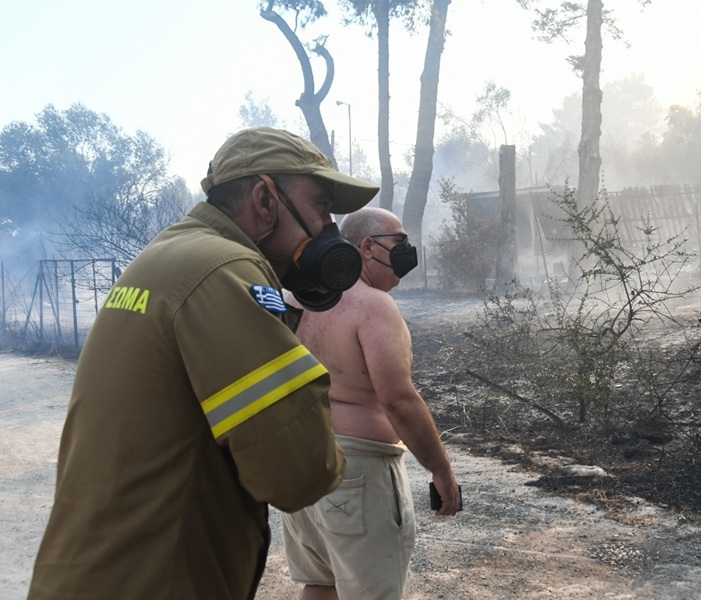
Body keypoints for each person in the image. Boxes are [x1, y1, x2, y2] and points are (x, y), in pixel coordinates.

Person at [28, 127, 380, 599]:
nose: (327, 228)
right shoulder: (226, 270)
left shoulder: (166, 257)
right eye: (320, 206)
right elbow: (299, 474)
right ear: (265, 200)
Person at [282, 206, 461, 600]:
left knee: (321, 583)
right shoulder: (373, 306)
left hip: (301, 462)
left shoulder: (294, 299)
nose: (407, 252)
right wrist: (441, 469)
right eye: (399, 243)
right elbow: (398, 400)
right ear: (367, 247)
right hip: (357, 474)